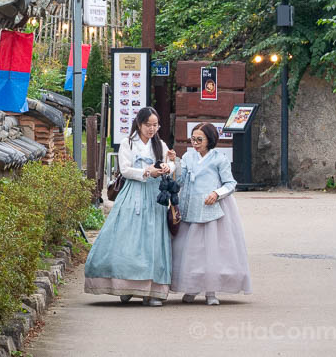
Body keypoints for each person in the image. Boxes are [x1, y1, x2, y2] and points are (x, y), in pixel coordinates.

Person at [84, 107, 175, 306]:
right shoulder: (128, 143)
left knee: (153, 240)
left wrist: (169, 166)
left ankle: (151, 292)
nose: (152, 129)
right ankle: (123, 285)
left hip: (154, 196)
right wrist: (146, 172)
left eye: (155, 125)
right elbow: (124, 170)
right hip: (133, 193)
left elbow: (171, 163)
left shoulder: (160, 144)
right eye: (148, 125)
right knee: (126, 238)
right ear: (139, 124)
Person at [171, 122, 252, 305]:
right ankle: (190, 287)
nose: (195, 143)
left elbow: (230, 183)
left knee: (212, 251)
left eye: (200, 139)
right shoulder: (188, 156)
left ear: (210, 140)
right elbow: (180, 180)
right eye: (193, 139)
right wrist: (174, 163)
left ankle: (211, 291)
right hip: (190, 207)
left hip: (211, 209)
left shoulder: (219, 159)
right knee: (189, 251)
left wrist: (217, 194)